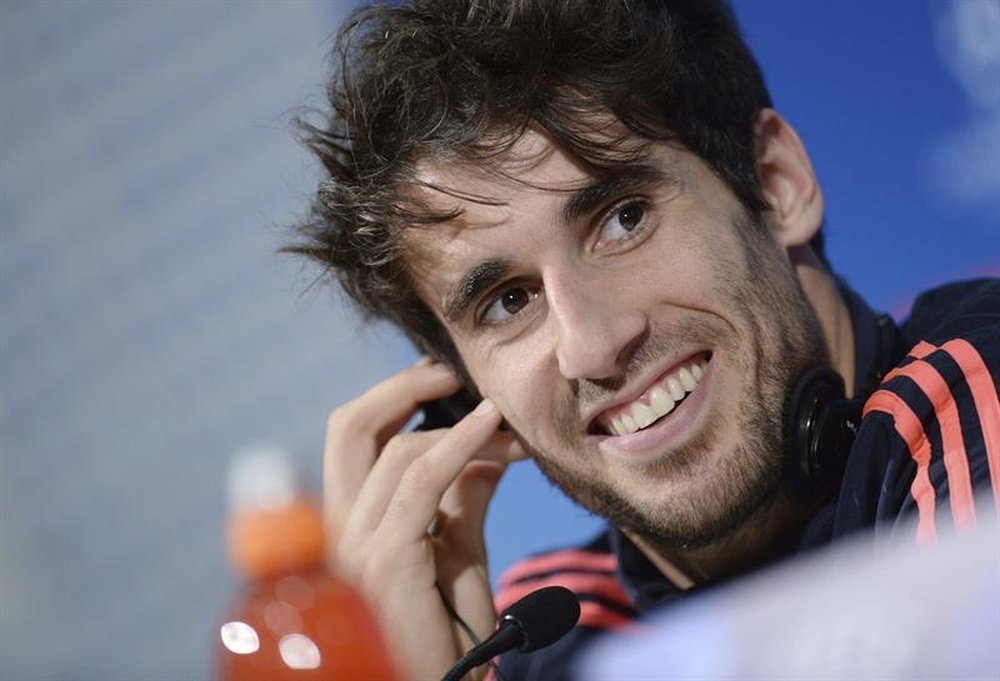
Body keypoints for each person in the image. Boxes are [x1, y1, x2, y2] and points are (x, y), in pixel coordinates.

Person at [285, 1, 1000, 679]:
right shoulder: (550, 636)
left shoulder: (974, 397)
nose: (591, 344)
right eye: (508, 302)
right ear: (471, 395)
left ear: (776, 186)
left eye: (623, 219)